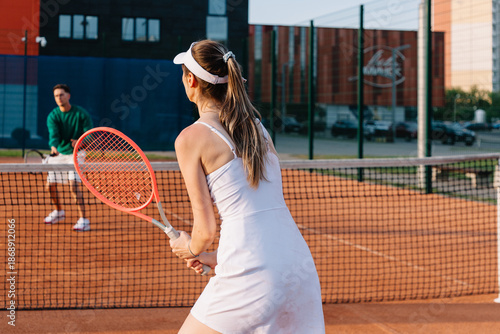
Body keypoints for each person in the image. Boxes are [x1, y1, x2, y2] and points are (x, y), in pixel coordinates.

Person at [169, 40, 325, 333]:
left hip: (252, 276)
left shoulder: (190, 139)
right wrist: (220, 257)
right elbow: (261, 207)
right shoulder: (258, 128)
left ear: (191, 80)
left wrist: (188, 246)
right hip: (297, 267)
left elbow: (205, 231)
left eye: (183, 73)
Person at [44, 84, 93, 231]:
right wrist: (54, 148)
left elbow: (89, 134)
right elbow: (54, 136)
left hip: (77, 153)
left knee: (73, 185)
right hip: (60, 153)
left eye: (61, 95)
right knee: (50, 186)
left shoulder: (81, 114)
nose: (59, 98)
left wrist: (80, 142)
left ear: (68, 96)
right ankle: (59, 211)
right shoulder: (53, 116)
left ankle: (83, 220)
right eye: (56, 96)